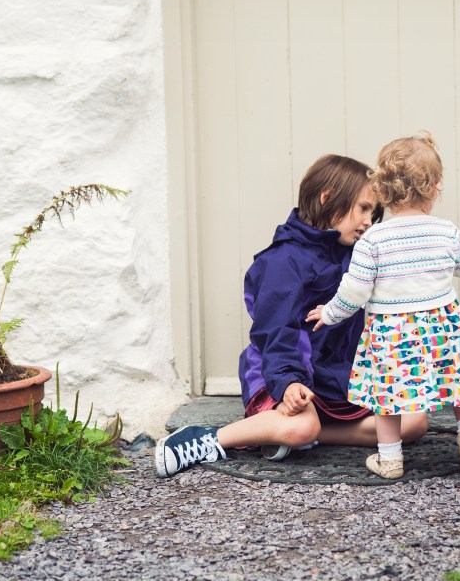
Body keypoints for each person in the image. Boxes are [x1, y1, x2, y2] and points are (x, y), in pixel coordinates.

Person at [155, 154, 428, 478]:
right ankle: (209, 440)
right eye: (363, 208)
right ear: (327, 198)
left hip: (334, 376)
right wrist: (287, 383)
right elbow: (276, 332)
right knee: (301, 425)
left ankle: (303, 435)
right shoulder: (284, 260)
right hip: (284, 367)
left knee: (413, 422)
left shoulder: (357, 256)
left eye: (373, 212)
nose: (369, 221)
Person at [306, 131, 460, 479]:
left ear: (382, 190)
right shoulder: (446, 231)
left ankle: (390, 458)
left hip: (393, 332)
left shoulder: (373, 239)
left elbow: (354, 292)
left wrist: (329, 313)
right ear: (435, 187)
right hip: (443, 324)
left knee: (387, 395)